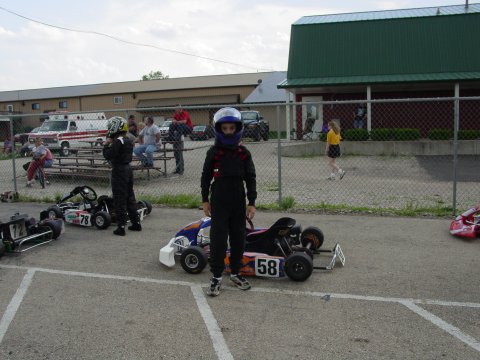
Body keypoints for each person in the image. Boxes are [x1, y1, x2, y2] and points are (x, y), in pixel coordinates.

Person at [201, 107, 257, 297]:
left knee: (238, 238)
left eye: (231, 128)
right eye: (224, 128)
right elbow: (205, 176)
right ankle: (216, 277)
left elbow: (251, 177)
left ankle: (235, 273)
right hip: (219, 198)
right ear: (219, 129)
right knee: (218, 239)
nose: (228, 132)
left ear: (237, 129)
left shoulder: (243, 153)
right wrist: (204, 200)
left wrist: (252, 202)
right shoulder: (214, 152)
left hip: (238, 198)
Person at [102, 117, 142, 236]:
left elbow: (108, 155)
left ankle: (121, 226)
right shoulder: (128, 139)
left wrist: (106, 145)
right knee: (130, 197)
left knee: (119, 198)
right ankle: (136, 223)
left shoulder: (118, 141)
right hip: (128, 169)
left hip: (119, 170)